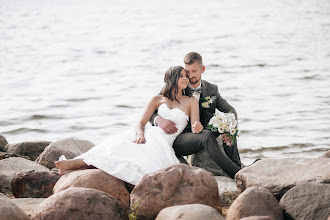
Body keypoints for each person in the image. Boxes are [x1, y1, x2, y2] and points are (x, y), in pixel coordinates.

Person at [54, 66, 203, 185]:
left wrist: (198, 128)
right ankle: (78, 163)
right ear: (172, 78)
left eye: (186, 75)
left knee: (137, 160)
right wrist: (140, 135)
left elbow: (196, 124)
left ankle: (78, 168)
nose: (186, 78)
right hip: (146, 134)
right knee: (116, 147)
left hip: (163, 142)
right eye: (181, 75)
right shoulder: (158, 99)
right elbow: (141, 122)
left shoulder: (191, 101)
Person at [150, 52, 242, 178]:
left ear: (202, 69)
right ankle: (236, 173)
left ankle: (238, 166)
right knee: (207, 136)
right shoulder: (174, 86)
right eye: (187, 72)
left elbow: (230, 111)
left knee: (228, 127)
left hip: (200, 130)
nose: (190, 76)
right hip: (179, 136)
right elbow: (152, 110)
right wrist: (159, 120)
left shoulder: (211, 89)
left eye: (194, 71)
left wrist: (228, 129)